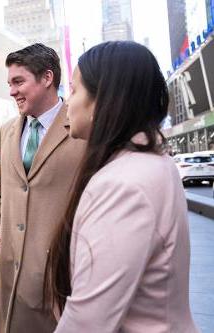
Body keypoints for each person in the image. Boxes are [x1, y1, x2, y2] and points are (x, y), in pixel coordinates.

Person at [48, 41, 198, 332]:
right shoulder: (153, 162)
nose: (68, 101)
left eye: (75, 89)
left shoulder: (121, 185)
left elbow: (87, 322)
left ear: (103, 99)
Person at [0, 43, 86, 332]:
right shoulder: (7, 131)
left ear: (47, 78)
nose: (12, 91)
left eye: (19, 81)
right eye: (9, 83)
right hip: (9, 279)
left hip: (60, 282)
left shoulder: (83, 127)